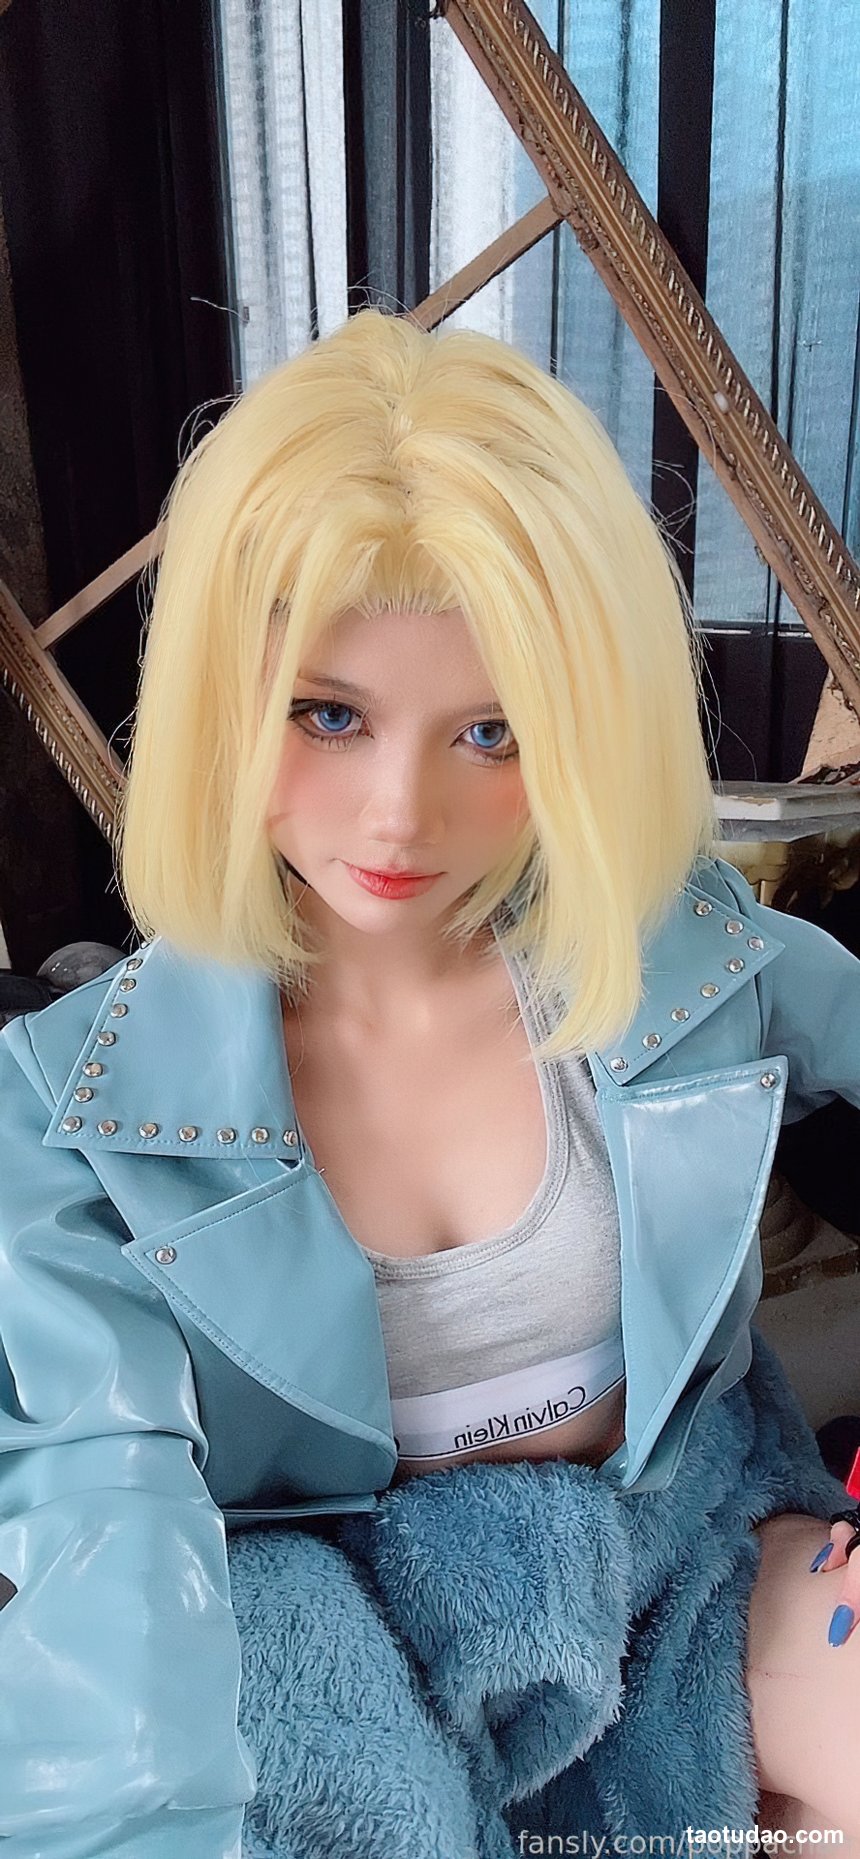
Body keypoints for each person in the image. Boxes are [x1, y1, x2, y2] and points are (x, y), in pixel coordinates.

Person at [0, 306, 858, 1857]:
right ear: (222, 700)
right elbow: (103, 1519)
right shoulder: (71, 1115)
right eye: (329, 715)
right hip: (321, 1619)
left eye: (494, 733)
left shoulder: (684, 961)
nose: (400, 814)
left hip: (676, 1545)